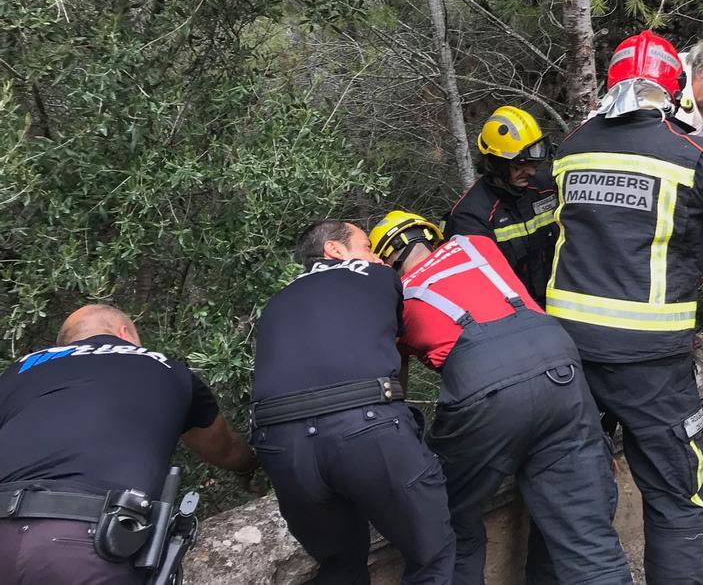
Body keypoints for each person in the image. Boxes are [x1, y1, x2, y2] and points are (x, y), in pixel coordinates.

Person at [547, 29, 703, 584]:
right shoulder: (686, 150)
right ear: (674, 84)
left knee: (576, 495)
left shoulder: (573, 146)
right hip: (651, 358)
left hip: (569, 351)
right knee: (676, 492)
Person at [369, 211, 632, 585]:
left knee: (447, 516)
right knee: (585, 533)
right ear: (431, 236)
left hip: (483, 388)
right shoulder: (477, 246)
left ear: (385, 261)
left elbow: (394, 388)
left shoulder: (398, 300)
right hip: (559, 366)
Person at [251, 221, 454, 585]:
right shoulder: (376, 275)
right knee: (433, 556)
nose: (377, 256)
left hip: (281, 444)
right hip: (365, 425)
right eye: (367, 246)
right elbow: (396, 343)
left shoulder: (277, 300)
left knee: (340, 569)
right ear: (334, 250)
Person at [0, 304, 258, 583]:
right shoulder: (163, 366)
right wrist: (253, 466)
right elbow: (223, 449)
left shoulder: (18, 371)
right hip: (86, 540)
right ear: (125, 333)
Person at [444, 106, 558, 305]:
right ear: (496, 164)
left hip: (559, 302)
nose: (530, 172)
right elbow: (478, 288)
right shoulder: (471, 216)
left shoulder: (546, 187)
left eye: (533, 163)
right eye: (519, 166)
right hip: (515, 314)